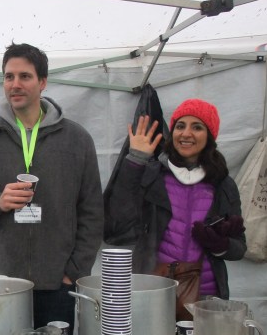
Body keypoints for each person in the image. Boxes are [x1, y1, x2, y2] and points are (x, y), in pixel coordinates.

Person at [0, 43, 104, 335]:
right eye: (9, 76)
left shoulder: (77, 140)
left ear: (42, 82)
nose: (15, 84)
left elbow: (92, 212)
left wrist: (73, 272)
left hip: (56, 285)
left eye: (25, 76)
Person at [104, 98, 246, 301]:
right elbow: (117, 224)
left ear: (209, 135)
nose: (186, 134)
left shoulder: (223, 184)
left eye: (197, 127)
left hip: (206, 296)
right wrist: (135, 160)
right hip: (154, 290)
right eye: (180, 126)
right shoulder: (153, 175)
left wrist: (220, 244)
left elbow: (239, 248)